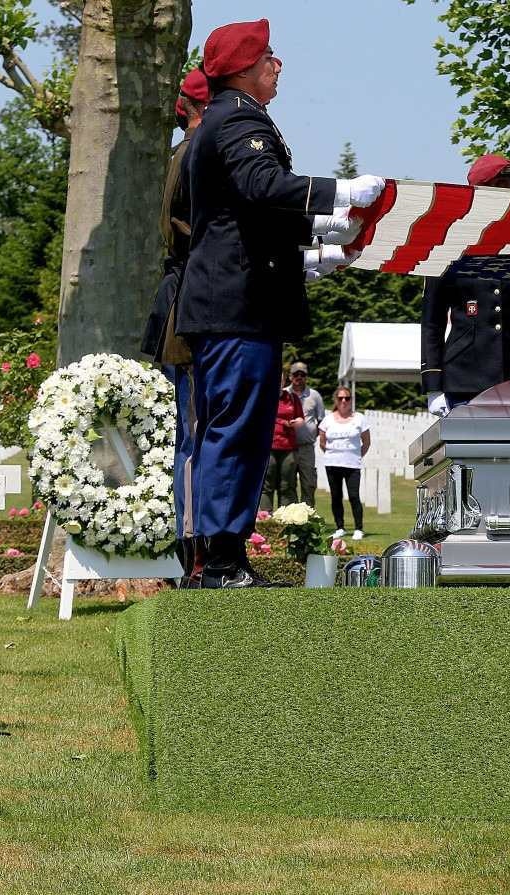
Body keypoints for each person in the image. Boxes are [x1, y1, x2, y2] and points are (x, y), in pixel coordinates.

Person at [176, 18, 386, 588]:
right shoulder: (239, 118)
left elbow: (251, 222)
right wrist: (339, 191)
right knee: (235, 433)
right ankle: (218, 559)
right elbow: (263, 187)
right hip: (235, 308)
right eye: (268, 55)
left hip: (239, 303)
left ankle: (224, 556)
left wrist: (319, 244)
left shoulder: (226, 119)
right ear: (244, 67)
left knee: (237, 430)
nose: (278, 63)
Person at [420, 155, 510, 416]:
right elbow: (432, 320)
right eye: (500, 183)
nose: (509, 189)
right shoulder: (450, 244)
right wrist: (433, 384)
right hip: (466, 375)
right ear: (480, 192)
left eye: (508, 181)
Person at [139, 67, 208, 584]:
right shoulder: (192, 156)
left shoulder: (189, 152)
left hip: (189, 296)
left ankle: (198, 545)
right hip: (188, 305)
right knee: (193, 435)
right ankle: (192, 550)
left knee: (199, 430)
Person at [319, 386, 371, 541]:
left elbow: (366, 442)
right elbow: (322, 442)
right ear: (335, 400)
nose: (343, 401)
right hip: (332, 463)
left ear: (351, 400)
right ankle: (339, 527)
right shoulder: (327, 420)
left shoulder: (359, 418)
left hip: (352, 464)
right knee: (336, 496)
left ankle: (358, 528)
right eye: (340, 398)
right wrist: (333, 455)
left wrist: (355, 455)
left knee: (354, 496)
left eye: (347, 398)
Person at [260, 370, 305, 511]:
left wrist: (296, 422)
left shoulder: (292, 398)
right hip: (269, 446)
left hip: (288, 447)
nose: (278, 383)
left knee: (287, 485)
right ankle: (266, 521)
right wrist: (280, 422)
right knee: (267, 485)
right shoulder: (263, 398)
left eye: (280, 380)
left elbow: (300, 418)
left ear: (284, 381)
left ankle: (285, 521)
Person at [286, 361, 324, 506]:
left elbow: (321, 420)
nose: (299, 377)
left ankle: (307, 521)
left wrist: (312, 435)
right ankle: (290, 520)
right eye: (296, 374)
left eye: (302, 375)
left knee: (308, 484)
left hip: (306, 447)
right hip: (287, 447)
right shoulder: (283, 394)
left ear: (306, 377)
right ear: (290, 376)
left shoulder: (314, 396)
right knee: (288, 485)